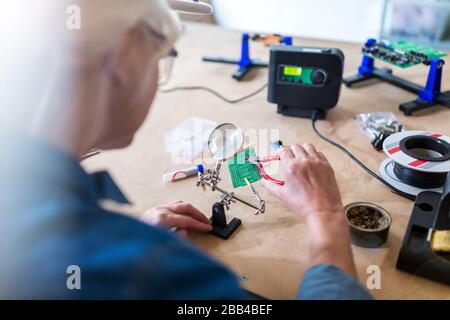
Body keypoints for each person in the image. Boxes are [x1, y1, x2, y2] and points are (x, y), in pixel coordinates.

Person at [0, 0, 371, 299]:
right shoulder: (167, 275)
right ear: (124, 58)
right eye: (163, 58)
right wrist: (326, 215)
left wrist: (128, 244)